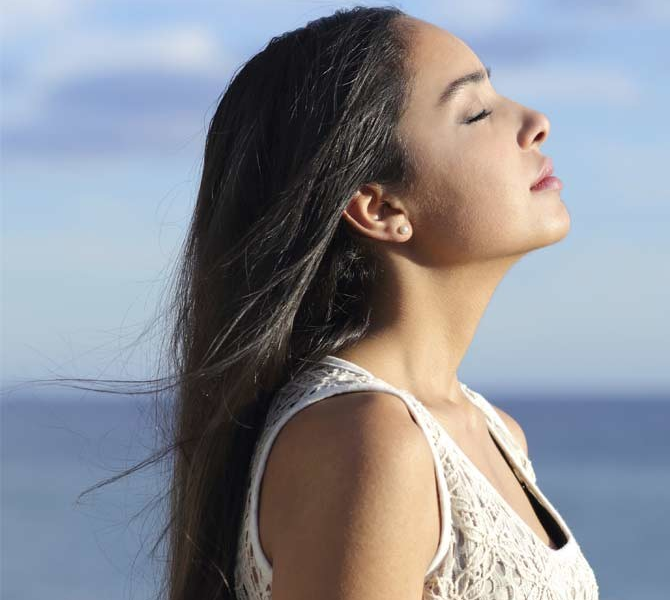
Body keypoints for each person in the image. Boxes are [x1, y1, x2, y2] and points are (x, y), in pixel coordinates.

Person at [78, 5, 597, 600]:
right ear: (380, 209)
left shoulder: (492, 433)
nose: (536, 122)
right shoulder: (370, 441)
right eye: (476, 112)